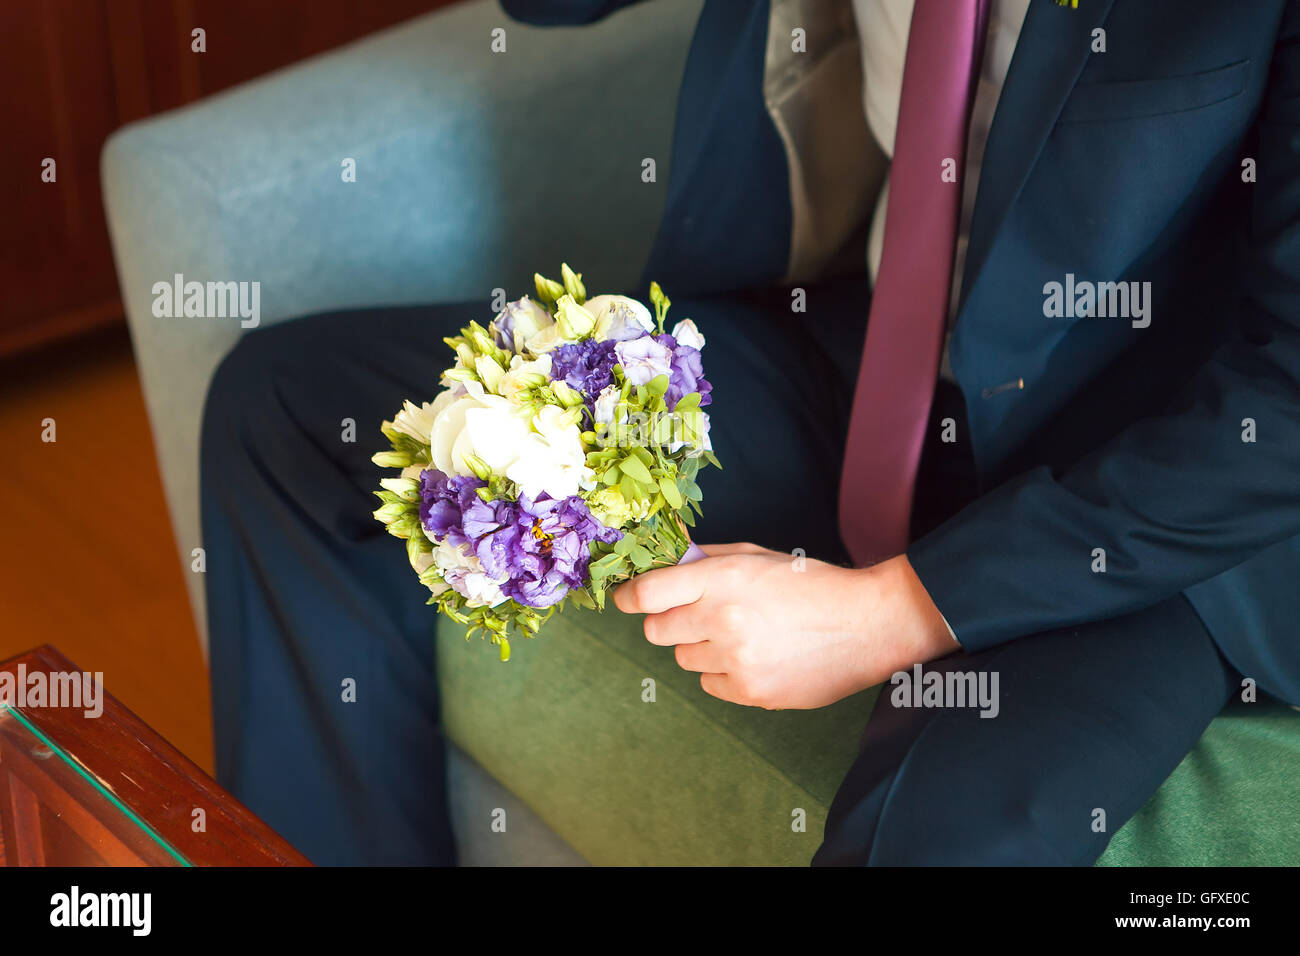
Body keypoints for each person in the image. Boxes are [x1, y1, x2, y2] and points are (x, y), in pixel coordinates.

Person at [201, 0, 1300, 865]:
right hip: (880, 353)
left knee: (939, 839)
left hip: (1151, 486)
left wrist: (892, 609)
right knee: (294, 411)